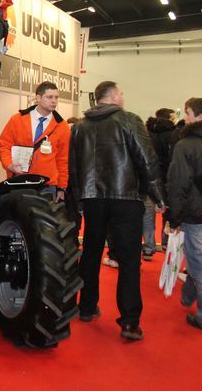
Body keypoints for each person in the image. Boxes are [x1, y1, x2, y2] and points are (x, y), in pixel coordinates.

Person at [69, 81, 166, 341]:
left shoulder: (79, 127)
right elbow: (147, 160)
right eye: (121, 93)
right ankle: (130, 322)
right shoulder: (129, 120)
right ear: (112, 96)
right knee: (128, 260)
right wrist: (159, 196)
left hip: (92, 198)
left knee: (90, 253)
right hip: (125, 197)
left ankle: (86, 307)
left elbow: (74, 168)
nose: (123, 96)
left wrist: (80, 199)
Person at [0, 81, 70, 200]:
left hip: (47, 185)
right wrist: (9, 165)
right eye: (49, 97)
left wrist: (62, 187)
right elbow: (4, 145)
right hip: (19, 181)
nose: (54, 101)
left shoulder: (62, 127)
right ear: (38, 98)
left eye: (56, 97)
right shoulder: (17, 120)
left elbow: (63, 160)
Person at [166, 97, 202, 331]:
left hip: (194, 213)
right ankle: (188, 297)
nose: (185, 117)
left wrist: (174, 217)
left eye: (188, 113)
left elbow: (178, 183)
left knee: (198, 262)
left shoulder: (186, 145)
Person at [143, 108, 175, 259]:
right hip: (167, 179)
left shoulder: (146, 134)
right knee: (167, 211)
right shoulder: (173, 136)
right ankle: (166, 242)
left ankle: (149, 247)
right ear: (168, 119)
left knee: (148, 212)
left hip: (149, 178)